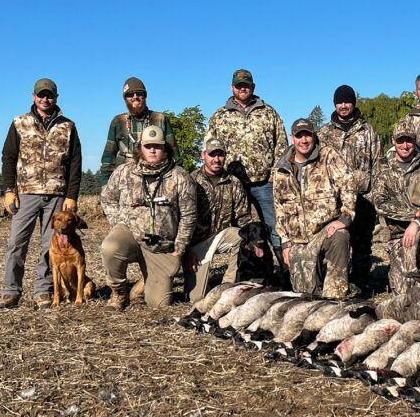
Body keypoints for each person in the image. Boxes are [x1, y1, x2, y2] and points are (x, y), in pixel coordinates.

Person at [0, 78, 82, 309]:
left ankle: (43, 291)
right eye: (41, 95)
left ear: (56, 97)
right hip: (26, 193)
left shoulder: (68, 126)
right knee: (16, 243)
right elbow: (8, 157)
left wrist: (71, 196)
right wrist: (8, 190)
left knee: (49, 246)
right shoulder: (19, 122)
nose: (45, 99)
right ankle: (10, 291)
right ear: (33, 97)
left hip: (57, 195)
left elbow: (75, 163)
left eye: (50, 95)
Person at [100, 125, 196, 310]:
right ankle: (118, 292)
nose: (152, 150)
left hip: (161, 245)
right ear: (140, 148)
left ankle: (143, 283)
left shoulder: (180, 176)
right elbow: (107, 197)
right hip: (130, 235)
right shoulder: (124, 171)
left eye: (157, 146)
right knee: (110, 247)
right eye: (148, 145)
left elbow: (188, 215)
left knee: (159, 303)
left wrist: (179, 250)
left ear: (165, 148)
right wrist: (118, 223)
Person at [205, 68, 288, 278]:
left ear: (253, 87)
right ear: (232, 87)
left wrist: (275, 173)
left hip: (264, 183)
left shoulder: (269, 112)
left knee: (274, 229)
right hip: (233, 185)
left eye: (247, 85)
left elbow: (282, 144)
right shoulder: (218, 116)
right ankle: (239, 277)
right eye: (239, 85)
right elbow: (209, 147)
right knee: (239, 233)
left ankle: (284, 273)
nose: (243, 88)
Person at [273, 118, 357, 298]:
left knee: (340, 237)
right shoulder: (281, 169)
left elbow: (348, 184)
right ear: (292, 138)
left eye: (308, 135)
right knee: (306, 296)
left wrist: (345, 218)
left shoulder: (328, 156)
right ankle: (318, 290)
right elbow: (279, 208)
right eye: (299, 136)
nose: (304, 140)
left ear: (314, 136)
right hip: (299, 239)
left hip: (325, 230)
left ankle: (336, 296)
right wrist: (286, 243)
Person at [317, 84, 381, 285]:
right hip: (334, 200)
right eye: (339, 102)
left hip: (363, 198)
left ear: (353, 103)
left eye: (347, 101)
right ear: (335, 104)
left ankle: (361, 281)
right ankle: (339, 281)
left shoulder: (367, 131)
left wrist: (375, 196)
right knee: (337, 241)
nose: (343, 106)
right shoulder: (324, 133)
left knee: (362, 242)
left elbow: (378, 164)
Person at [371, 120, 420, 295]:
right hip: (398, 233)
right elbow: (380, 204)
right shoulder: (383, 166)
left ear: (415, 141)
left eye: (409, 140)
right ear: (393, 141)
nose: (405, 145)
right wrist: (413, 214)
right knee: (404, 294)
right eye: (401, 140)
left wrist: (417, 223)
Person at [183, 138, 256, 302]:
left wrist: (254, 239)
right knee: (196, 298)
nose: (216, 159)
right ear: (203, 155)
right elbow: (180, 219)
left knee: (243, 236)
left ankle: (227, 288)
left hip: (221, 236)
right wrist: (186, 250)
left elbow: (243, 217)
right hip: (195, 245)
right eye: (212, 154)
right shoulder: (190, 180)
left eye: (220, 155)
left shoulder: (234, 183)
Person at [99, 76, 180, 186]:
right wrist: (105, 186)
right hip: (124, 183)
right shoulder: (118, 121)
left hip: (157, 181)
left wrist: (176, 182)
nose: (135, 97)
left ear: (145, 96)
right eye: (130, 94)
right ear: (125, 98)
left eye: (139, 93)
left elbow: (174, 156)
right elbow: (107, 160)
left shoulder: (161, 119)